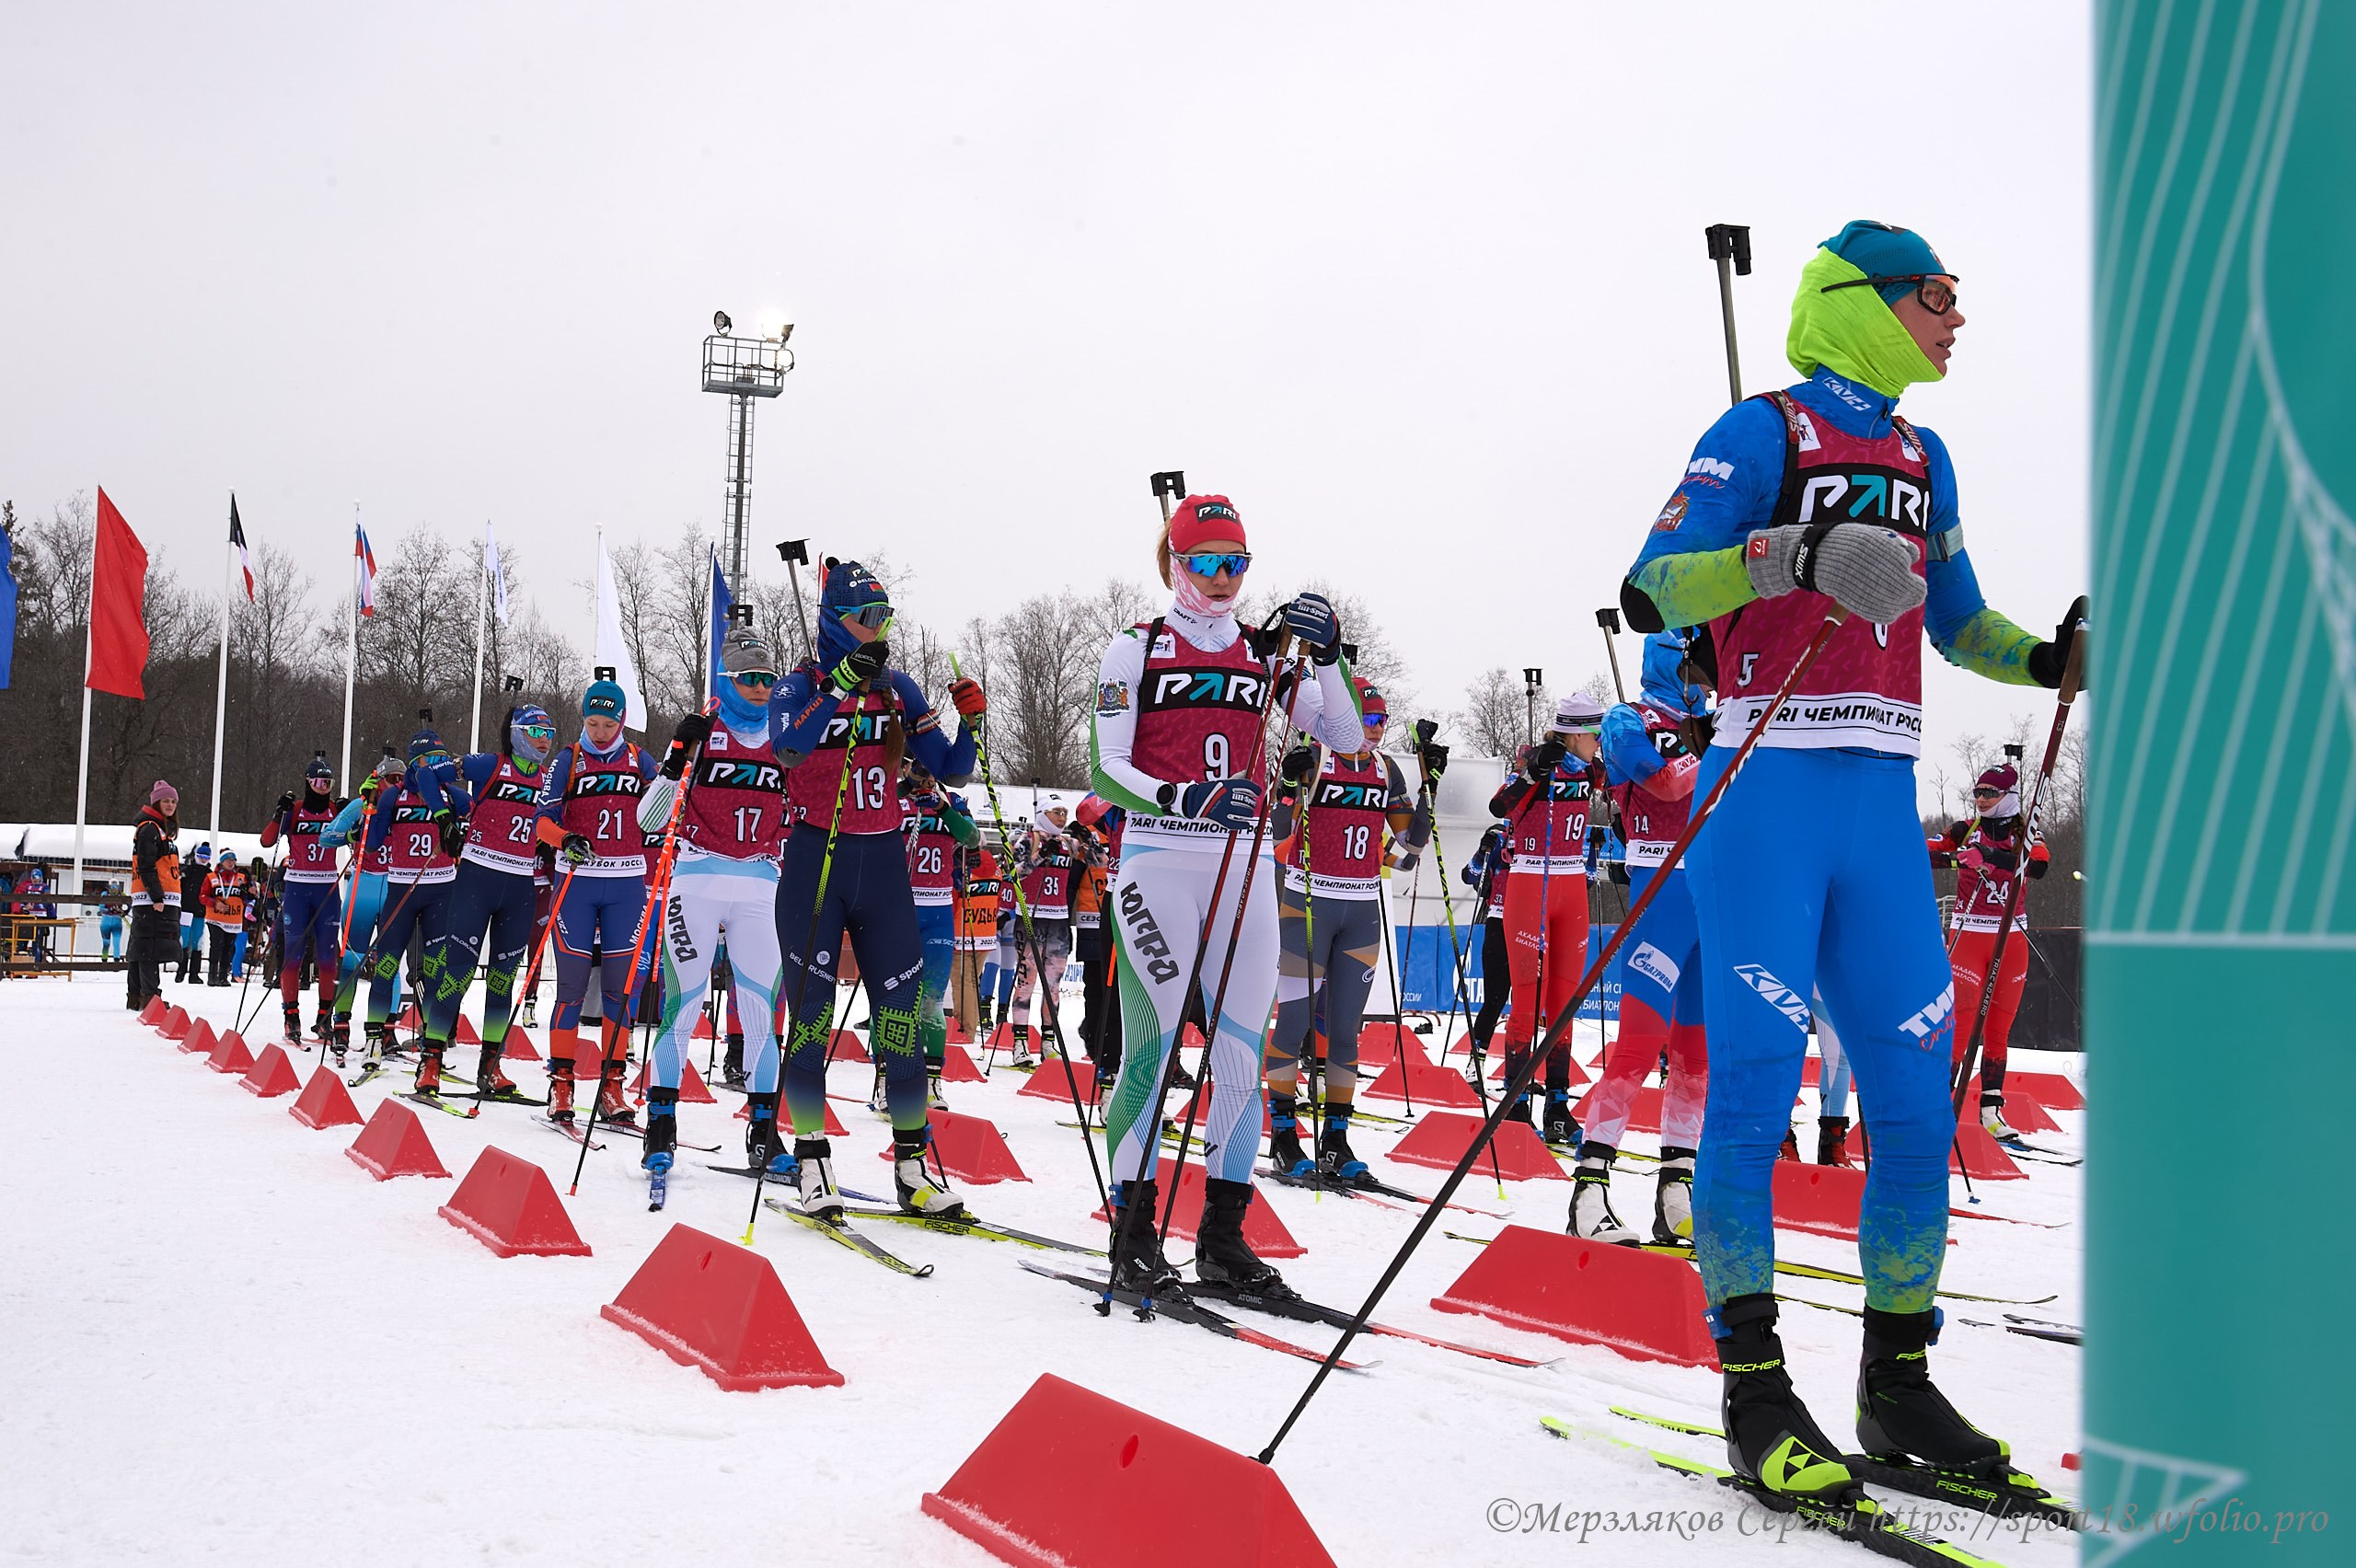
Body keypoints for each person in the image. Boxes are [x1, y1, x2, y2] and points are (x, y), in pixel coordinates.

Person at [1620, 219, 2086, 1500]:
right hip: (1764, 787)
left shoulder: (1926, 457)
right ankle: (1756, 1393)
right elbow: (1652, 587)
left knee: (1916, 1100)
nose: (1955, 316)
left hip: (1879, 801)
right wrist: (1794, 553)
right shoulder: (1761, 431)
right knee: (1755, 1088)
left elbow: (1958, 621)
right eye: (1936, 294)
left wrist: (2046, 661)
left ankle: (1896, 1383)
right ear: (1863, 301)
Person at [1086, 492, 1365, 1300]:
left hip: (1243, 868)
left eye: (1236, 563)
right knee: (1151, 1052)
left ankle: (1222, 1237)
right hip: (1160, 861)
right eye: (1206, 561)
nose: (1222, 577)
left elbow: (1346, 738)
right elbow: (1106, 769)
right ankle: (1133, 1232)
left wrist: (1330, 652)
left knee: (1241, 1054)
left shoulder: (1264, 655)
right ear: (1174, 564)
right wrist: (1187, 798)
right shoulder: (1135, 646)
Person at [767, 559, 984, 1216]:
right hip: (816, 860)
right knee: (811, 1018)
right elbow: (789, 749)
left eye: (886, 617)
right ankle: (811, 1161)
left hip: (885, 865)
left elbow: (953, 771)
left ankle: (913, 1168)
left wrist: (972, 723)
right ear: (835, 622)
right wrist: (836, 686)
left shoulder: (898, 688)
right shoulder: (797, 685)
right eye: (867, 617)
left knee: (901, 1019)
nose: (879, 628)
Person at [1263, 677, 1434, 1187]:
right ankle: (1283, 1136)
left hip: (1360, 910)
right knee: (1294, 1023)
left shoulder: (1385, 768)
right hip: (1307, 904)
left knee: (1344, 1030)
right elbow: (1280, 837)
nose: (1377, 730)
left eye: (1383, 721)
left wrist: (1429, 788)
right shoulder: (1314, 758)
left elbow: (1410, 850)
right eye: (1369, 720)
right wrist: (1289, 786)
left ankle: (1336, 1140)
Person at [631, 630, 790, 1182]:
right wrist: (677, 756)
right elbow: (648, 821)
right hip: (696, 880)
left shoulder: (785, 736)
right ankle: (661, 1125)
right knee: (683, 1006)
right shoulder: (703, 733)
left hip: (761, 885)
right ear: (727, 680)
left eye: (768, 678)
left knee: (761, 1011)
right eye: (749, 678)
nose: (761, 687)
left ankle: (764, 1132)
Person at [1578, 629, 1715, 1244]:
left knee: (1695, 1059)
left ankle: (1675, 1193)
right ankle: (1589, 1193)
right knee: (1637, 1046)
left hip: (1713, 893)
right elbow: (1663, 783)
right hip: (1659, 888)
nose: (1703, 678)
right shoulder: (1626, 717)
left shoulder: (1720, 719)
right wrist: (1709, 748)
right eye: (1694, 664)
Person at [414, 704, 559, 1098]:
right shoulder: (490, 764)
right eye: (536, 732)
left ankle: (491, 1066)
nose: (544, 740)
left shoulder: (548, 779)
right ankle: (431, 1060)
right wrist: (444, 818)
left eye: (549, 733)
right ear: (516, 734)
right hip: (478, 879)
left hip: (520, 885)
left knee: (502, 980)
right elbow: (427, 775)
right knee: (457, 974)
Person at [533, 676, 660, 1125]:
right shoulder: (568, 759)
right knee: (571, 988)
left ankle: (612, 1086)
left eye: (609, 724)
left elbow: (667, 806)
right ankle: (562, 1084)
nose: (601, 732)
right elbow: (542, 821)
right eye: (593, 723)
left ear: (622, 722)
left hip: (627, 884)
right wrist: (566, 838)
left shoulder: (639, 759)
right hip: (578, 884)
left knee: (619, 992)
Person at [1487, 695, 1608, 1146]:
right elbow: (1499, 806)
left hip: (1572, 886)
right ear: (1574, 734)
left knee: (1565, 1002)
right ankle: (1516, 1103)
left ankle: (1557, 1105)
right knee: (1526, 998)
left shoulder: (1591, 769)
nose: (1599, 742)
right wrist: (1533, 771)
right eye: (1594, 734)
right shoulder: (1535, 761)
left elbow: (1622, 780)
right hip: (1530, 883)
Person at [1930, 762, 2049, 1141]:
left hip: (2012, 940)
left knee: (1999, 1030)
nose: (1981, 799)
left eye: (1990, 793)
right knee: (1962, 1026)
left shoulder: (2025, 833)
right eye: (1978, 792)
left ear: (2008, 796)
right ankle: (1935, 1110)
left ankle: (1991, 1113)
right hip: (1970, 938)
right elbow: (1924, 853)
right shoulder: (1965, 829)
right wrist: (1956, 858)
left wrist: (1990, 857)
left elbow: (2038, 866)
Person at [362, 726, 465, 1090]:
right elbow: (373, 844)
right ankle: (375, 1038)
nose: (437, 766)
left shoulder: (453, 795)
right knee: (387, 966)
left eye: (442, 759)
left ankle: (431, 1048)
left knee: (436, 971)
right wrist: (371, 809)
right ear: (415, 764)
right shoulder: (395, 796)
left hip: (442, 892)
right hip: (402, 890)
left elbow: (478, 821)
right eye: (430, 760)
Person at [881, 757, 979, 1112]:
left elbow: (972, 838)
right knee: (892, 1000)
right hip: (898, 908)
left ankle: (933, 1084)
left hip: (938, 912)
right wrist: (904, 790)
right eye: (919, 768)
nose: (926, 776)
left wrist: (942, 807)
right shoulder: (893, 795)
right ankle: (887, 1081)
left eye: (932, 771)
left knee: (931, 1002)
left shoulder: (951, 801)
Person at [321, 754, 408, 1061]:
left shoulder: (407, 806)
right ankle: (341, 1025)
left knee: (390, 962)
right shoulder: (362, 806)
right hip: (364, 886)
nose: (398, 786)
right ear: (379, 781)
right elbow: (326, 837)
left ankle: (387, 1029)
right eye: (392, 780)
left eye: (403, 780)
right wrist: (352, 834)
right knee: (351, 960)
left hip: (395, 887)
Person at [260, 758, 344, 1045]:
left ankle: (324, 1018)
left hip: (327, 890)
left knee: (327, 958)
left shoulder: (334, 810)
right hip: (297, 888)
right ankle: (291, 1016)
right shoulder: (295, 810)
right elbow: (266, 841)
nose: (324, 788)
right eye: (319, 782)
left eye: (328, 783)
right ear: (308, 782)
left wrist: (350, 817)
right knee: (293, 956)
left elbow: (358, 842)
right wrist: (278, 814)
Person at [1004, 795, 1082, 1069]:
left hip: (1059, 920)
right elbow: (1013, 874)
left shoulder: (1068, 843)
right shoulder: (1028, 840)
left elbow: (1099, 861)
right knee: (1026, 983)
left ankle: (1048, 1042)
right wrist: (1039, 856)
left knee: (1053, 987)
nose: (1062, 817)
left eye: (1064, 812)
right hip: (1031, 917)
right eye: (1056, 812)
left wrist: (1089, 836)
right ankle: (1020, 1043)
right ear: (1043, 814)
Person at [1459, 824, 1512, 1062]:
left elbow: (1587, 880)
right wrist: (1482, 853)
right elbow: (1469, 876)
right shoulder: (1500, 839)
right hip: (1498, 921)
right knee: (1495, 999)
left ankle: (1521, 1067)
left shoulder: (1544, 837)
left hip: (1532, 925)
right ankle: (1476, 1061)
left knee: (1530, 1002)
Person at [127, 782, 183, 1009]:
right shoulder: (151, 829)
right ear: (156, 803)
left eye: (173, 801)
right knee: (149, 949)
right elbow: (146, 865)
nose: (170, 805)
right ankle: (150, 997)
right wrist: (157, 896)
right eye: (166, 801)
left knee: (141, 947)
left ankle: (136, 996)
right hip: (153, 900)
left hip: (154, 898)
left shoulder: (157, 829)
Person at [953, 845, 1002, 1043]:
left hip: (962, 931)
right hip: (986, 931)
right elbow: (998, 901)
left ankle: (966, 1031)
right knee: (973, 981)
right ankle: (970, 1029)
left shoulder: (961, 868)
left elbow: (952, 901)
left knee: (962, 982)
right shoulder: (995, 869)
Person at [199, 852, 250, 986]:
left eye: (233, 860)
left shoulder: (241, 878)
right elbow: (203, 896)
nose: (231, 863)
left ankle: (223, 976)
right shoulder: (211, 877)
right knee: (216, 945)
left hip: (233, 919)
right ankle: (212, 976)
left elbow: (246, 897)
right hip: (215, 917)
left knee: (228, 947)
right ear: (221, 862)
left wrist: (251, 892)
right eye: (228, 860)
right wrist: (215, 903)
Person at [175, 843, 213, 983]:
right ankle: (181, 971)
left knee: (197, 942)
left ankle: (194, 974)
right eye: (201, 856)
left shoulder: (210, 874)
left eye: (206, 857)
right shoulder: (187, 871)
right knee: (184, 940)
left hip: (200, 911)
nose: (203, 860)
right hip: (186, 910)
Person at [98, 884, 127, 963]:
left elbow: (129, 904)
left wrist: (125, 912)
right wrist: (110, 909)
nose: (114, 890)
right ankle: (104, 959)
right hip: (106, 920)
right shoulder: (105, 894)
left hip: (116, 920)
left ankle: (116, 959)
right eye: (112, 888)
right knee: (106, 943)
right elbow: (101, 908)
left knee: (116, 942)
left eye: (115, 887)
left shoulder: (122, 894)